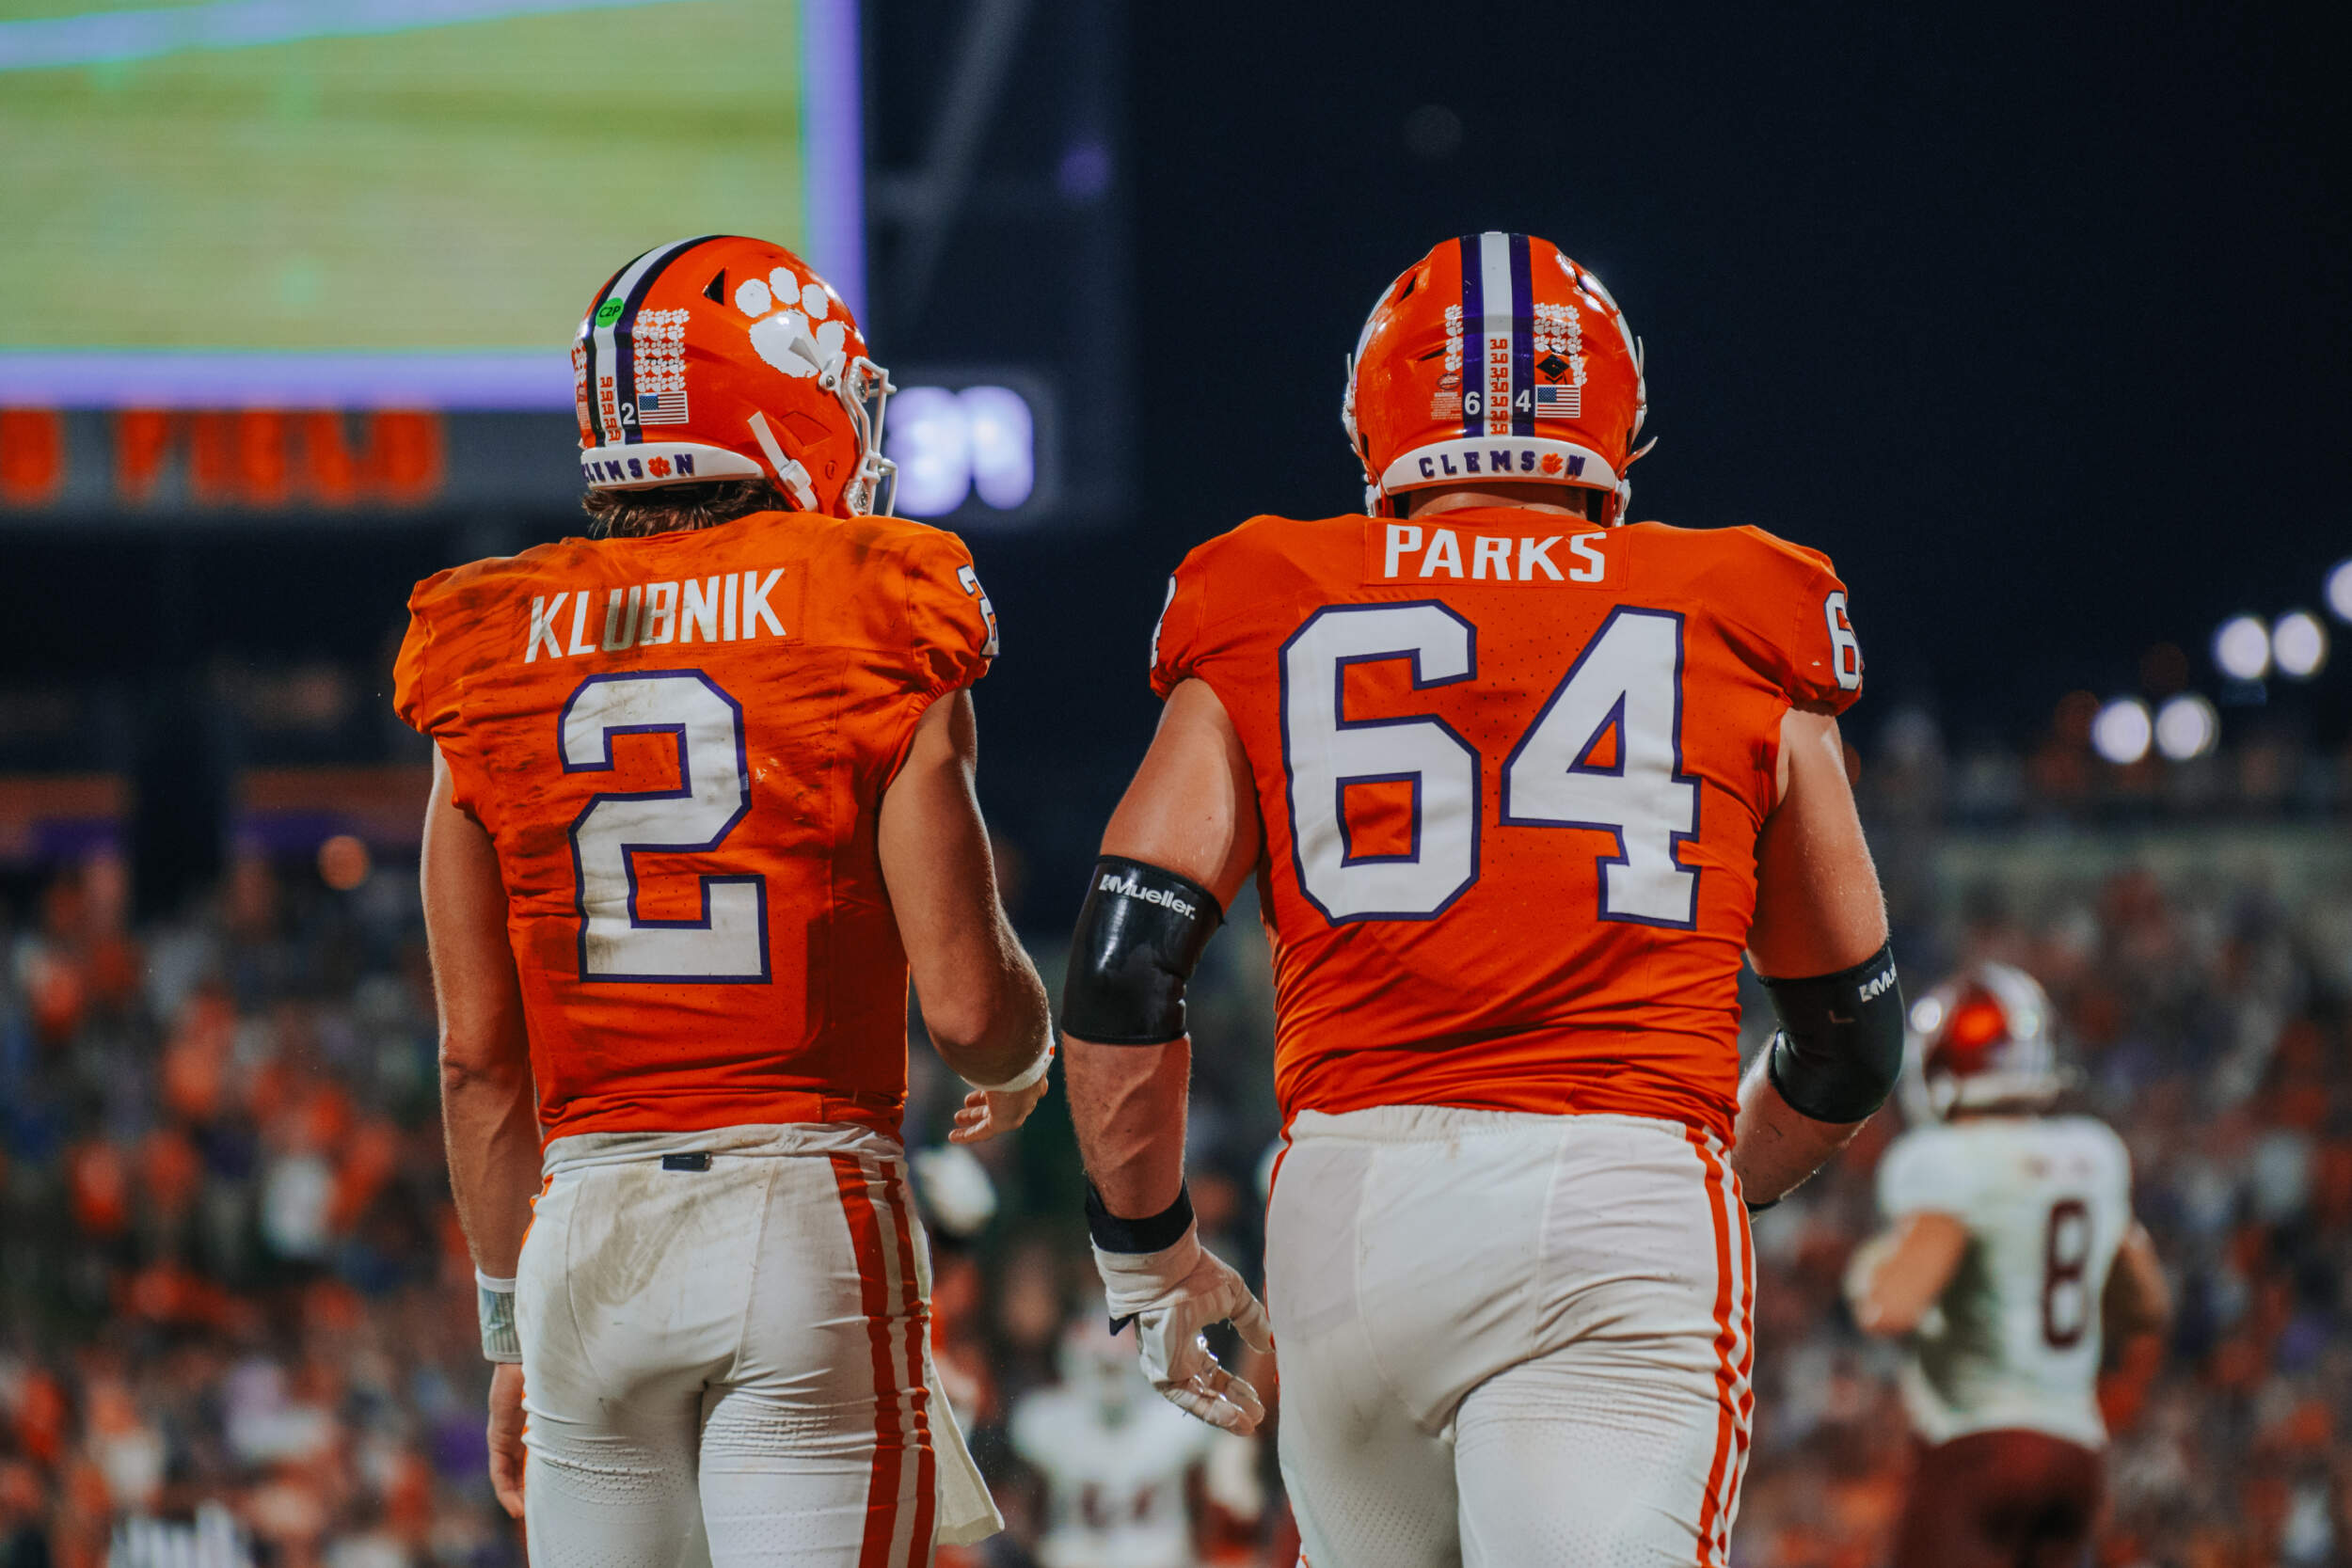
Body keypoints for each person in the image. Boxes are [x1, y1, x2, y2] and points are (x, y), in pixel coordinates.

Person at [1057, 231, 1902, 1566]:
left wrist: (1146, 1253)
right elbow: (1848, 1037)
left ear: (1373, 417)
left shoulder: (1268, 592)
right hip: (1622, 1173)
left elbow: (1119, 971)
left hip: (1347, 1206)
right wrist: (1693, 1190)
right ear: (1616, 417)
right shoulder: (1745, 604)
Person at [398, 234, 1054, 1567]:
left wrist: (510, 1323)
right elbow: (969, 1009)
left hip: (583, 1230)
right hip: (798, 1202)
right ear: (776, 401)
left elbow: (476, 1059)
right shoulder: (867, 605)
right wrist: (1025, 1055)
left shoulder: (488, 641)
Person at [1846, 964, 2170, 1568]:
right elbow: (2146, 1302)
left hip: (1980, 1449)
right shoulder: (2094, 1155)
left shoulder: (1945, 1160)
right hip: (2076, 1456)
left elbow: (1893, 1308)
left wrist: (1870, 1270)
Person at [1009, 1308, 1248, 1568]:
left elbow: (1205, 1518)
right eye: (1104, 1367)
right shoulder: (1047, 1420)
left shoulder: (1178, 1421)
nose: (1112, 1383)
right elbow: (1030, 1518)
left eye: (1118, 1366)